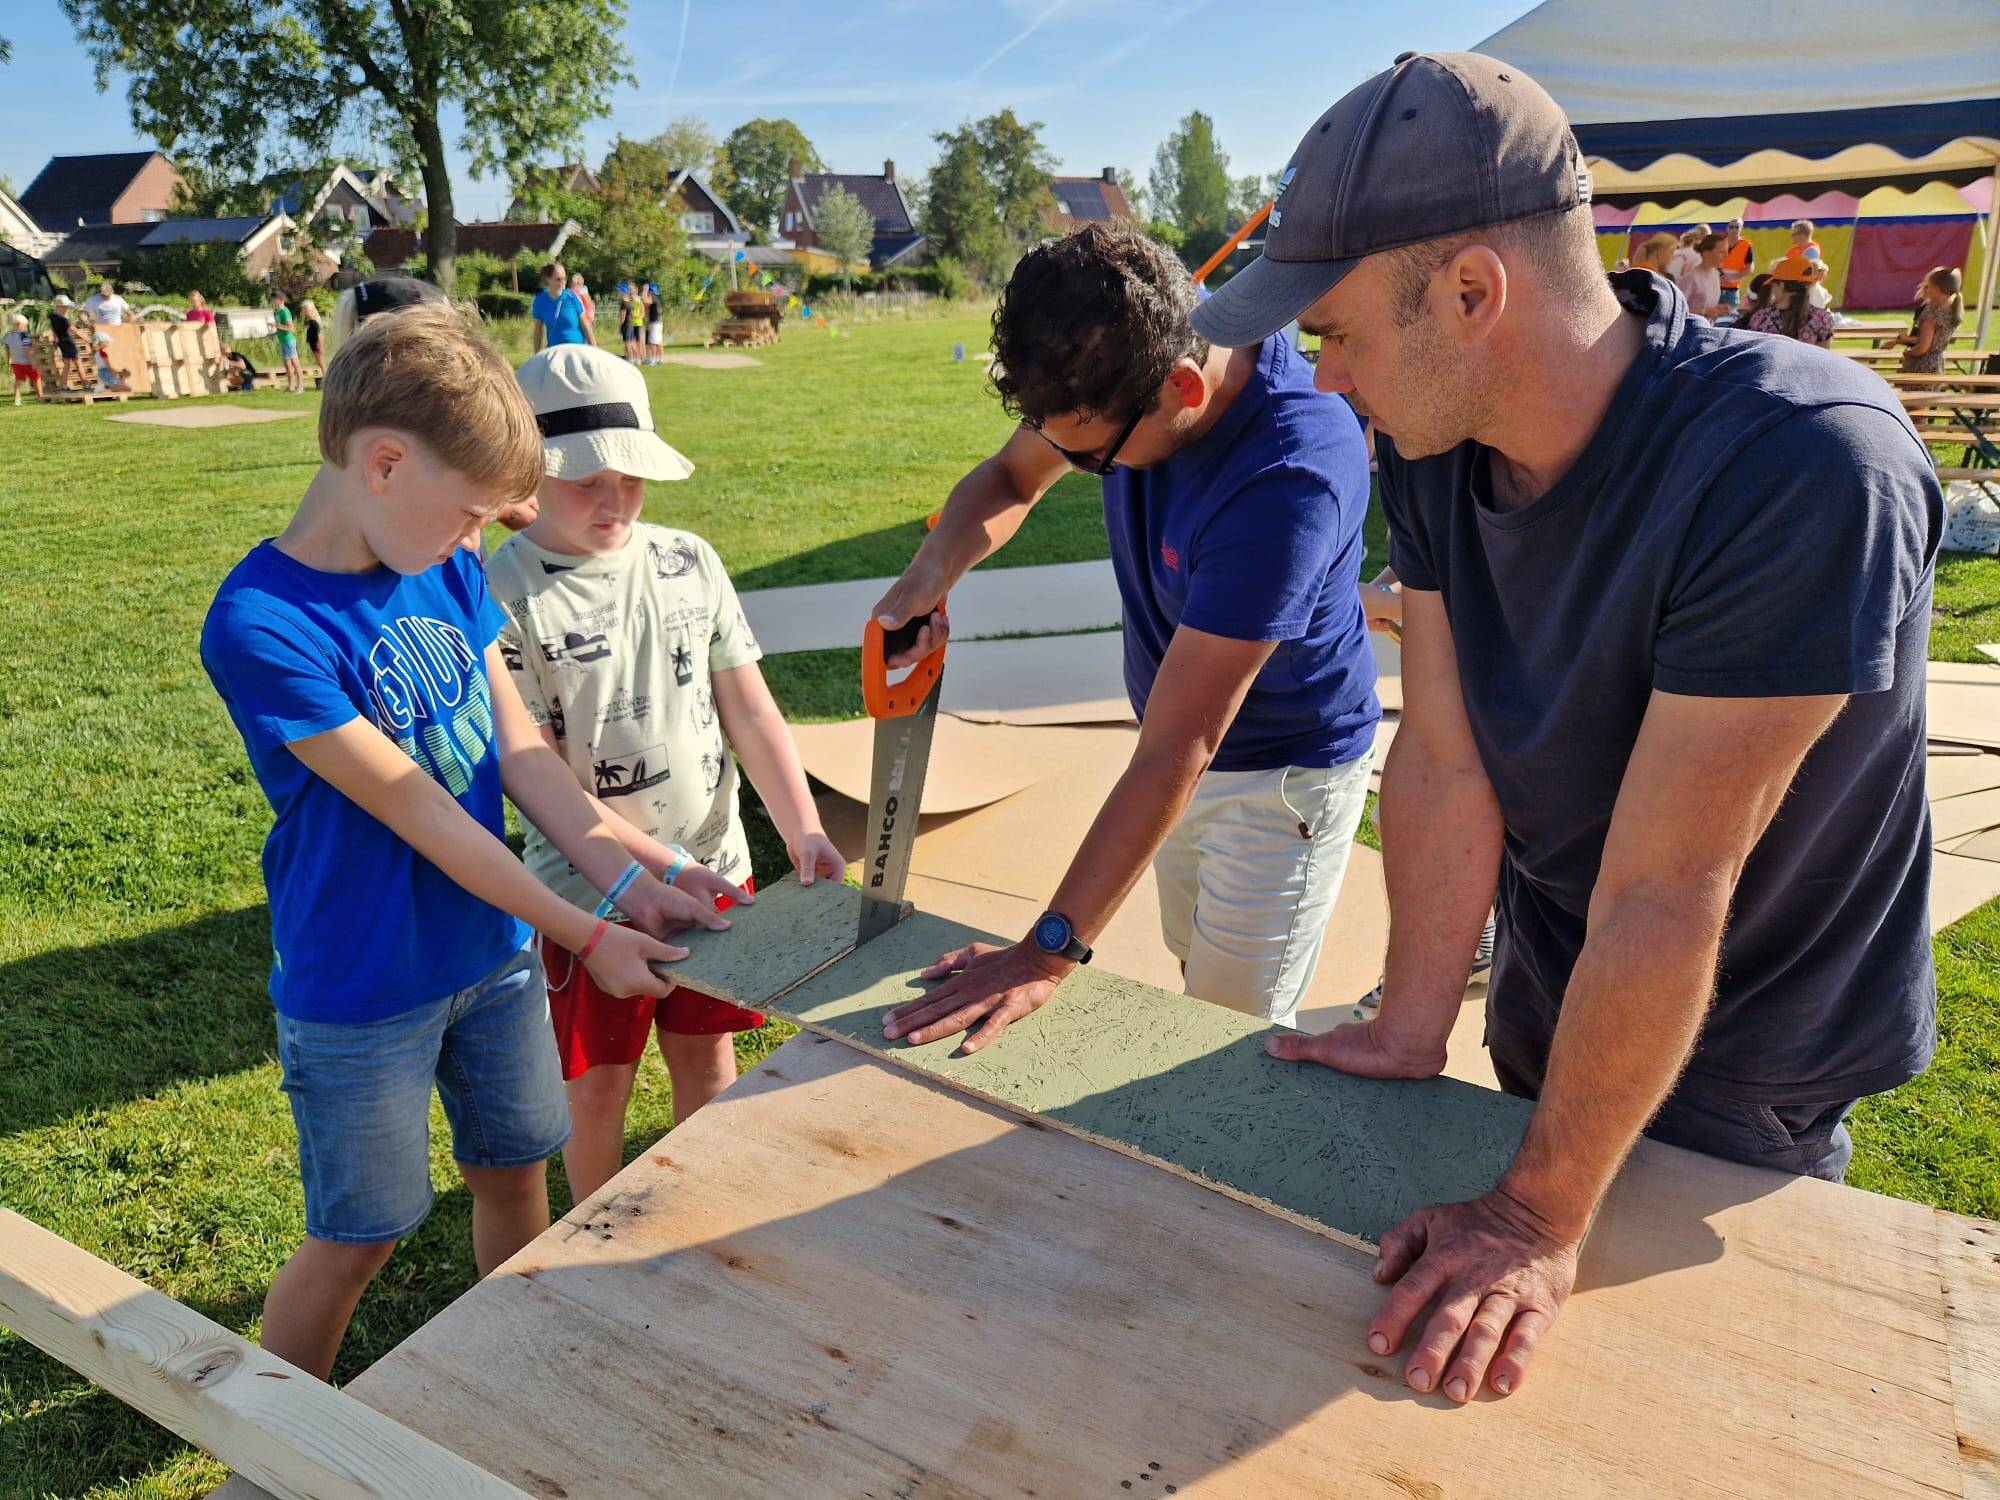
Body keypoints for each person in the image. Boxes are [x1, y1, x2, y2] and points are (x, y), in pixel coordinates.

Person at [1191, 50, 1936, 1406]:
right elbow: (1448, 758)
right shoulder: (1435, 444)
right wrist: (1415, 1023)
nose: (1321, 370)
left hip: (1753, 1044)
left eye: (1337, 327)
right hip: (1562, 978)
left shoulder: (1805, 461)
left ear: (1475, 293)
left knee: (1670, 1407)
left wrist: (1538, 1218)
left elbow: (1671, 882)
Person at [198, 302, 721, 1381]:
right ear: (383, 462)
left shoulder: (438, 564)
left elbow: (522, 757)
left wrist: (644, 872)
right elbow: (422, 813)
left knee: (514, 1171)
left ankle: (511, 1379)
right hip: (362, 982)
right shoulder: (263, 624)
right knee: (362, 1234)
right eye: (474, 511)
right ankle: (265, 1450)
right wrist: (592, 929)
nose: (482, 537)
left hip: (491, 958)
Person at [873, 222, 1379, 1051]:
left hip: (1282, 779)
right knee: (1193, 974)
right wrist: (930, 574)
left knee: (1222, 1039)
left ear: (1184, 388)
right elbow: (1008, 476)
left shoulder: (1291, 474)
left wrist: (1045, 952)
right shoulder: (1118, 343)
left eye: (1094, 461)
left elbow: (1181, 745)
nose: (1076, 469)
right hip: (1176, 754)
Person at [489, 343, 846, 1201]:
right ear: (528, 474)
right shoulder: (496, 590)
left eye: (632, 479)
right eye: (587, 481)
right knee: (598, 1085)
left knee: (709, 1058)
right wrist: (624, 885)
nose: (615, 500)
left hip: (717, 873)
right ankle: (593, 1230)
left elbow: (751, 710)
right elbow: (530, 763)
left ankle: (698, 1212)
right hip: (588, 901)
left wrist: (802, 825)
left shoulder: (691, 561)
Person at [1885, 266, 1964, 379]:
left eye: (1928, 286)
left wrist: (1907, 353)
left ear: (1937, 289)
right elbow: (1932, 339)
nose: (1925, 288)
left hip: (1921, 366)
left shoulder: (1932, 313)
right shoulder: (1951, 310)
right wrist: (1904, 340)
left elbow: (1923, 347)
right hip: (1937, 364)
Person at [1748, 255, 1836, 347]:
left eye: (1773, 285)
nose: (1772, 289)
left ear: (1781, 285)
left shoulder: (1761, 318)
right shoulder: (1822, 318)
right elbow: (1824, 357)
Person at [531, 262, 588, 352]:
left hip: (577, 351)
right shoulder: (540, 300)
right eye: (559, 279)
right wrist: (536, 356)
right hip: (555, 353)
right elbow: (538, 332)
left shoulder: (572, 297)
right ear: (548, 279)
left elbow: (586, 326)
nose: (563, 282)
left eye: (565, 278)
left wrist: (595, 350)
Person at [1673, 231, 1727, 320]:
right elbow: (1677, 308)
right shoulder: (1691, 277)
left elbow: (1707, 304)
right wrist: (1705, 311)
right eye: (1721, 252)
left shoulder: (1716, 274)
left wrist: (1718, 309)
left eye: (1726, 252)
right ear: (1707, 253)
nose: (1725, 256)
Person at [271, 289, 305, 394]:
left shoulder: (285, 311)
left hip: (289, 341)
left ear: (280, 300)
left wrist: (277, 326)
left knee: (295, 364)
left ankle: (300, 386)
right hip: (282, 341)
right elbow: (278, 327)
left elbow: (291, 328)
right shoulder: (276, 312)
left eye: (274, 299)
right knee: (287, 365)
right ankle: (291, 386)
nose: (272, 301)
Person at [47, 294, 84, 389]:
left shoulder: (53, 318)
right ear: (59, 307)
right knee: (78, 363)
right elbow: (73, 329)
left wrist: (54, 340)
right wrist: (86, 338)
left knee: (67, 365)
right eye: (65, 307)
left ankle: (64, 385)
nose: (67, 309)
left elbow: (54, 331)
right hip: (69, 343)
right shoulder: (63, 320)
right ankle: (85, 383)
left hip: (62, 343)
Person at [1716, 218, 1753, 309]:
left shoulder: (1745, 245)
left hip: (1732, 290)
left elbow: (1750, 268)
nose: (1734, 229)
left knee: (1729, 319)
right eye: (1731, 227)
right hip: (1715, 288)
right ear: (1727, 228)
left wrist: (1734, 277)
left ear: (1741, 229)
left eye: (1737, 227)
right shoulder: (1719, 243)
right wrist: (1718, 275)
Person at [6, 313, 40, 405]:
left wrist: (8, 359)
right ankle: (41, 396)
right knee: (36, 378)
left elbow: (7, 348)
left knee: (18, 380)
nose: (25, 328)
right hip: (27, 362)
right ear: (18, 325)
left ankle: (17, 399)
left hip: (15, 363)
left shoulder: (8, 336)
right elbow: (27, 350)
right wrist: (33, 360)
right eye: (24, 326)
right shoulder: (24, 336)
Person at [92, 326, 133, 392]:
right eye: (107, 342)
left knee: (124, 387)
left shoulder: (96, 353)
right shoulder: (103, 353)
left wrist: (119, 374)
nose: (108, 344)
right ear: (102, 342)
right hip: (106, 373)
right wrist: (118, 374)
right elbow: (109, 367)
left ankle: (106, 387)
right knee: (127, 389)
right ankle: (105, 388)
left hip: (102, 372)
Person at [616, 281, 642, 363]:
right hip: (630, 324)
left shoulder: (624, 303)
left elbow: (622, 316)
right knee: (632, 342)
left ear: (622, 293)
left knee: (628, 342)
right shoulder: (629, 303)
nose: (618, 294)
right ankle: (637, 358)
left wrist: (620, 325)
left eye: (619, 292)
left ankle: (631, 358)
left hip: (626, 325)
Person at [569, 271, 598, 344]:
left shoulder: (582, 291)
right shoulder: (574, 292)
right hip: (582, 320)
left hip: (584, 319)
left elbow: (589, 304)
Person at [644, 281, 666, 364]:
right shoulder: (656, 299)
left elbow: (645, 301)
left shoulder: (653, 298)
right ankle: (660, 358)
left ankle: (653, 359)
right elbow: (646, 307)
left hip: (655, 323)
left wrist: (644, 291)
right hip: (657, 323)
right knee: (658, 342)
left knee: (653, 342)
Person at [302, 295, 324, 370]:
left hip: (316, 343)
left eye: (304, 310)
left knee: (321, 361)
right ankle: (324, 375)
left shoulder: (315, 321)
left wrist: (319, 344)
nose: (303, 312)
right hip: (313, 342)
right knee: (318, 362)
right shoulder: (310, 321)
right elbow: (311, 332)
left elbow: (319, 333)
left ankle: (326, 376)